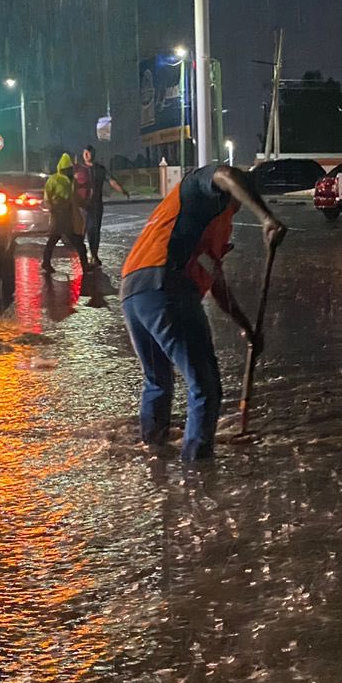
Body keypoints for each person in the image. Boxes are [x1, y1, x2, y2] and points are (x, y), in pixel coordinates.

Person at [120, 163, 285, 461]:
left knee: (158, 381)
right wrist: (267, 218)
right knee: (205, 387)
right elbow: (227, 175)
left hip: (134, 292)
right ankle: (197, 474)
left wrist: (247, 328)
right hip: (166, 287)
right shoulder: (198, 187)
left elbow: (216, 282)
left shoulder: (217, 224)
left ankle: (154, 457)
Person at [41, 153, 90, 276]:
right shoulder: (56, 180)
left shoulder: (68, 180)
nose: (70, 171)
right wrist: (52, 207)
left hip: (66, 214)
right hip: (61, 214)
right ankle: (85, 265)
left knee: (54, 240)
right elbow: (48, 196)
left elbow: (73, 196)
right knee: (77, 241)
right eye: (68, 169)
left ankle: (46, 263)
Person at [79, 145, 129, 265]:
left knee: (94, 230)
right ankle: (82, 256)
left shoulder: (99, 169)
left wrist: (123, 191)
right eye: (84, 152)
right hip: (81, 205)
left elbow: (111, 181)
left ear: (93, 154)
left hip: (95, 205)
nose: (86, 155)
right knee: (80, 232)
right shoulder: (79, 169)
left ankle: (94, 254)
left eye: (88, 153)